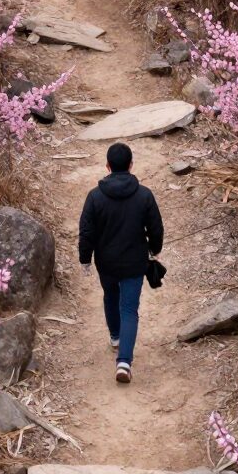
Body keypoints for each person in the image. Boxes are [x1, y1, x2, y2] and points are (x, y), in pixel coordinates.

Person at [78, 142, 163, 385]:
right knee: (129, 309)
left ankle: (115, 337)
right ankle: (124, 362)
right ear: (130, 165)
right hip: (134, 263)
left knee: (110, 296)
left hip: (106, 262)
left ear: (107, 166)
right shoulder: (144, 195)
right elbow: (156, 227)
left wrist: (85, 259)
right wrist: (155, 249)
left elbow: (87, 231)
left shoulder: (95, 197)